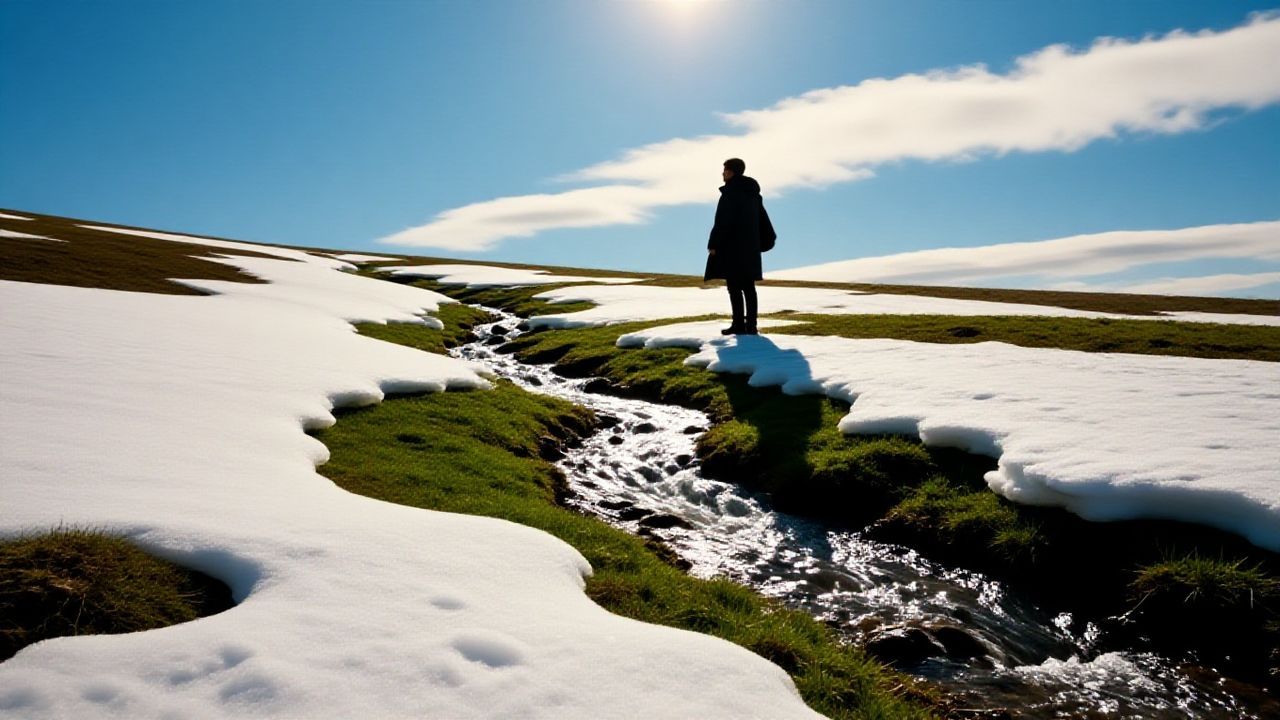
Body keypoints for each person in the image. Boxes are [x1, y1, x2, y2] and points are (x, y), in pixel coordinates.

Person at [704, 157, 763, 335]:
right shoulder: (753, 194)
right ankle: (751, 326)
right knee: (748, 286)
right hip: (750, 247)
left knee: (734, 286)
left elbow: (723, 222)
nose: (723, 173)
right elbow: (762, 220)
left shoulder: (731, 193)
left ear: (731, 172)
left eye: (725, 170)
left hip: (733, 247)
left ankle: (738, 324)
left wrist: (713, 243)